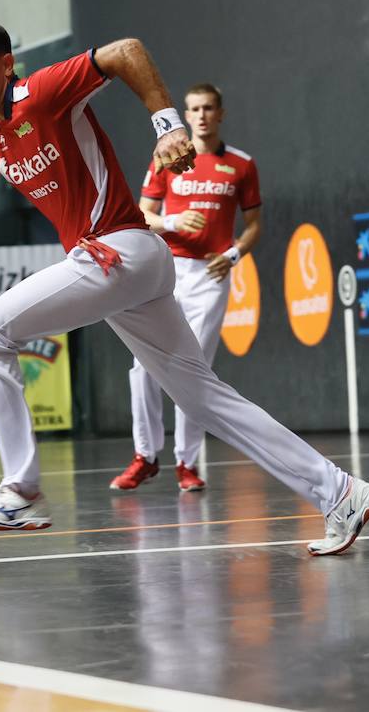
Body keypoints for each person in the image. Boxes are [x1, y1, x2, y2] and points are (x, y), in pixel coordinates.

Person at [0, 21, 369, 556]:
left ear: (5, 64)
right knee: (203, 399)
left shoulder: (43, 91)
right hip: (133, 267)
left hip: (118, 251)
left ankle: (19, 492)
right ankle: (340, 493)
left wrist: (168, 127)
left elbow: (125, 52)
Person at [111, 83, 262, 493]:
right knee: (143, 366)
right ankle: (145, 456)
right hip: (167, 272)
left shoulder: (242, 165)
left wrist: (233, 255)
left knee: (196, 369)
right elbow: (144, 214)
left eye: (208, 108)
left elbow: (253, 226)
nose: (200, 115)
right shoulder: (166, 157)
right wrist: (175, 224)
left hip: (212, 278)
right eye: (193, 108)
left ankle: (188, 463)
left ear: (220, 113)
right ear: (187, 114)